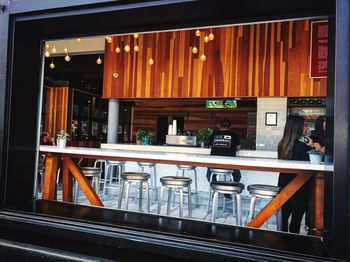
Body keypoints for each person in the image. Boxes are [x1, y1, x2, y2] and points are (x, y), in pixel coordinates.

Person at [277, 115, 314, 233]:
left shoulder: (282, 144)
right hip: (300, 188)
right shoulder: (303, 147)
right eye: (305, 125)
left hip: (284, 185)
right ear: (298, 127)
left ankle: (281, 241)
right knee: (296, 221)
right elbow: (312, 165)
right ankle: (292, 244)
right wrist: (312, 147)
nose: (307, 128)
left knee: (283, 219)